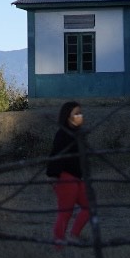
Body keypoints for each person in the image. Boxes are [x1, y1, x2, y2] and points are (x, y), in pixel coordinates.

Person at [45, 100, 91, 246]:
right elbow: (55, 155)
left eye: (80, 113)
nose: (79, 116)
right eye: (76, 113)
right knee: (65, 213)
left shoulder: (78, 135)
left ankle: (73, 236)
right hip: (65, 177)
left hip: (78, 178)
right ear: (67, 116)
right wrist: (53, 175)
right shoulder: (62, 134)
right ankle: (59, 245)